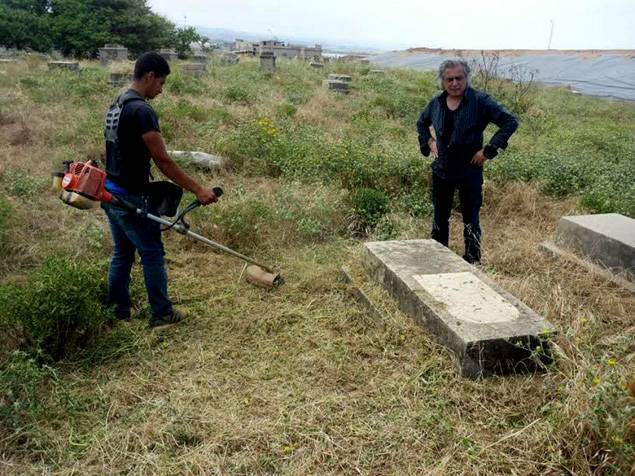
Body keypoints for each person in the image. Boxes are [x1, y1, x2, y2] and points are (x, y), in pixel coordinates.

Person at [102, 52, 218, 328]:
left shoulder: (117, 104)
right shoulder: (142, 110)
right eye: (161, 83)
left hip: (111, 191)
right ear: (150, 76)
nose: (161, 90)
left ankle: (117, 312)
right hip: (131, 196)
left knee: (122, 253)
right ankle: (162, 314)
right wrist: (198, 188)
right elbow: (163, 160)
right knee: (152, 253)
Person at [416, 59, 518, 263]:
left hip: (469, 170)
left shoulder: (480, 101)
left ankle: (472, 260)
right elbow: (421, 122)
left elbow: (510, 121)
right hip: (442, 170)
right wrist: (429, 141)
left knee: (470, 218)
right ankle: (438, 256)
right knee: (440, 216)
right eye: (449, 79)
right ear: (443, 81)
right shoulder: (436, 103)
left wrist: (488, 150)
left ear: (466, 78)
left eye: (458, 78)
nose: (454, 83)